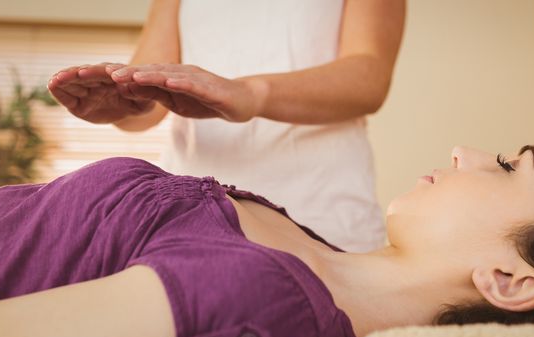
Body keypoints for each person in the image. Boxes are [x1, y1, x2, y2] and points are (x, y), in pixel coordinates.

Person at [0, 138, 534, 337]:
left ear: (507, 277)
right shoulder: (311, 253)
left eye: (509, 167)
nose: (468, 152)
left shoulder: (263, 301)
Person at [46, 0, 406, 253]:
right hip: (192, 217)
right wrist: (123, 104)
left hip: (322, 215)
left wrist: (250, 93)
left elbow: (369, 76)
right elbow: (148, 99)